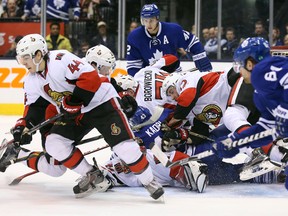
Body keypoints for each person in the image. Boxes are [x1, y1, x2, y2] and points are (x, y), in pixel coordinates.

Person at [0, 33, 164, 200]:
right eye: (21, 59)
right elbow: (34, 107)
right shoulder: (31, 80)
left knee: (124, 147)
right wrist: (24, 125)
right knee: (54, 143)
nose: (24, 63)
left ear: (38, 54)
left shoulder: (60, 59)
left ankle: (149, 181)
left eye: (26, 58)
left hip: (100, 103)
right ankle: (92, 174)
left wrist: (74, 101)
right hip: (76, 113)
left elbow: (90, 77)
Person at [213, 37, 288, 189]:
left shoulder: (262, 70)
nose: (239, 71)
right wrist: (235, 141)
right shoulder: (259, 95)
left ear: (249, 63)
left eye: (240, 65)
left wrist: (284, 110)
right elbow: (265, 128)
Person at [126, 3, 212, 76]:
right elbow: (133, 66)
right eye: (145, 20)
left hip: (173, 75)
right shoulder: (135, 37)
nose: (148, 24)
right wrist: (136, 83)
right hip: (149, 78)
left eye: (151, 20)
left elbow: (194, 43)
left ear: (157, 18)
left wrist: (203, 65)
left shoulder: (173, 30)